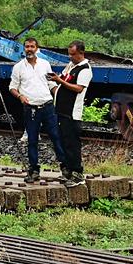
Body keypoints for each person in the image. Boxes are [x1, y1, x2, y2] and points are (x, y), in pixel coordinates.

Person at [9, 37, 66, 182]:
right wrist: (20, 96)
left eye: (32, 46)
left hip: (47, 106)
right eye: (27, 47)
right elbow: (12, 87)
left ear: (37, 48)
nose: (29, 49)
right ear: (24, 49)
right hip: (31, 109)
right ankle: (34, 170)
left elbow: (51, 84)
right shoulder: (18, 67)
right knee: (32, 140)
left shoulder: (45, 64)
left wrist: (58, 97)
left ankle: (65, 168)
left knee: (56, 136)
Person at [49, 40, 91, 188]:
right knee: (64, 142)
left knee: (72, 144)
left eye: (73, 54)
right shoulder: (71, 66)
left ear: (81, 53)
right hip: (62, 111)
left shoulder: (85, 69)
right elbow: (63, 83)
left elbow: (78, 88)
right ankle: (68, 171)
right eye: (69, 54)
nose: (70, 57)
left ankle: (78, 174)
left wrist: (59, 80)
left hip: (72, 113)